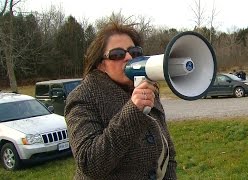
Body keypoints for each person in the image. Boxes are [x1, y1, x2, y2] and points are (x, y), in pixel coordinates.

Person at [64, 20, 177, 180]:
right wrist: (132, 112)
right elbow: (89, 162)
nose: (129, 57)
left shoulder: (147, 87)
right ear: (101, 65)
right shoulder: (83, 97)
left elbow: (168, 152)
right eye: (117, 54)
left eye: (134, 52)